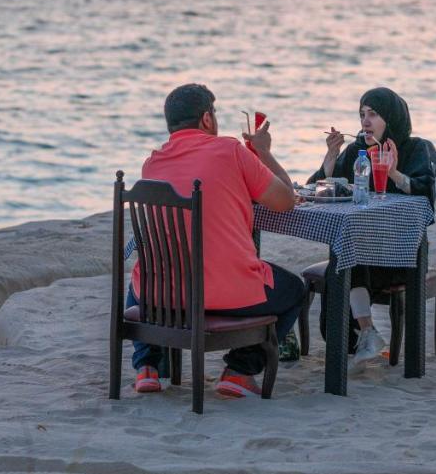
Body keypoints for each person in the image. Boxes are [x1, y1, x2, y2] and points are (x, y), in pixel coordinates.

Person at [128, 83, 304, 399]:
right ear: (207, 119)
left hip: (167, 296)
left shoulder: (151, 164)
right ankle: (239, 371)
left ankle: (147, 368)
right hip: (228, 293)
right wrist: (263, 152)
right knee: (294, 290)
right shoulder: (230, 150)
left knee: (140, 280)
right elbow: (285, 200)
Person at [311, 86, 436, 371]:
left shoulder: (413, 148)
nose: (365, 122)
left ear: (391, 117)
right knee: (345, 255)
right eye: (362, 115)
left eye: (373, 114)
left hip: (402, 255)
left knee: (346, 256)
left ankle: (360, 338)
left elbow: (426, 195)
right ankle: (365, 334)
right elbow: (319, 188)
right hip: (364, 253)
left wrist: (393, 173)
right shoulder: (358, 149)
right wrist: (330, 159)